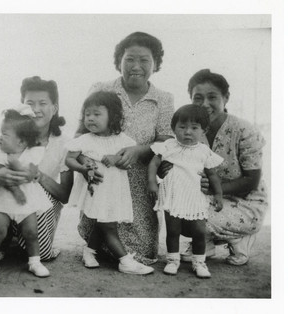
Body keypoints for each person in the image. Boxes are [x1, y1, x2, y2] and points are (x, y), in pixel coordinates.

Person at [78, 32, 175, 265]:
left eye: (144, 60)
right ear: (119, 60)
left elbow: (165, 142)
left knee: (145, 253)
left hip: (140, 181)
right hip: (103, 176)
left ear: (156, 64)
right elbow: (80, 134)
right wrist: (87, 167)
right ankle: (94, 247)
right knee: (104, 223)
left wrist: (138, 150)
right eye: (130, 59)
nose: (136, 66)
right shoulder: (101, 88)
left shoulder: (164, 98)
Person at [0, 76, 73, 261]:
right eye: (30, 103)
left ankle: (24, 243)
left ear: (54, 108)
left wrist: (38, 176)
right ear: (22, 106)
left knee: (42, 255)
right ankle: (3, 240)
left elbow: (64, 196)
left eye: (43, 103)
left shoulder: (64, 144)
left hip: (38, 208)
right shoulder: (6, 136)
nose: (36, 110)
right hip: (4, 202)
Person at [177, 69, 268, 266]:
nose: (205, 104)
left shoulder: (245, 130)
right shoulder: (190, 130)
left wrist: (212, 189)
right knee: (174, 210)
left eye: (213, 97)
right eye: (198, 98)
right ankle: (205, 243)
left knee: (196, 215)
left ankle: (238, 239)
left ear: (226, 98)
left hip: (245, 202)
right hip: (209, 199)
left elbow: (251, 180)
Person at [66, 91, 154, 275]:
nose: (90, 118)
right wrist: (84, 169)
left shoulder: (123, 140)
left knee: (103, 221)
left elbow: (128, 164)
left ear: (112, 116)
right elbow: (69, 159)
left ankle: (89, 252)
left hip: (114, 190)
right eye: (87, 114)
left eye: (97, 114)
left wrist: (116, 159)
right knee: (108, 225)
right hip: (96, 189)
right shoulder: (85, 139)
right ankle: (125, 261)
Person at [147, 104, 224, 278]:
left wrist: (218, 194)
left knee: (199, 231)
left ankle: (199, 262)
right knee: (173, 230)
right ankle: (172, 260)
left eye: (194, 128)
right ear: (174, 128)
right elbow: (154, 163)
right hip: (173, 194)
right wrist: (152, 182)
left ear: (203, 130)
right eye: (182, 127)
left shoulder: (203, 151)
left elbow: (212, 174)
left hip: (194, 195)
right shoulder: (168, 145)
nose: (187, 132)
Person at [0, 107, 52, 280]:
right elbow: (6, 178)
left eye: (5, 134)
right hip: (1, 198)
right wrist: (16, 181)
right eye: (0, 132)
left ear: (20, 142)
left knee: (31, 232)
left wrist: (21, 168)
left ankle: (34, 261)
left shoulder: (33, 152)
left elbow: (30, 173)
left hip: (26, 200)